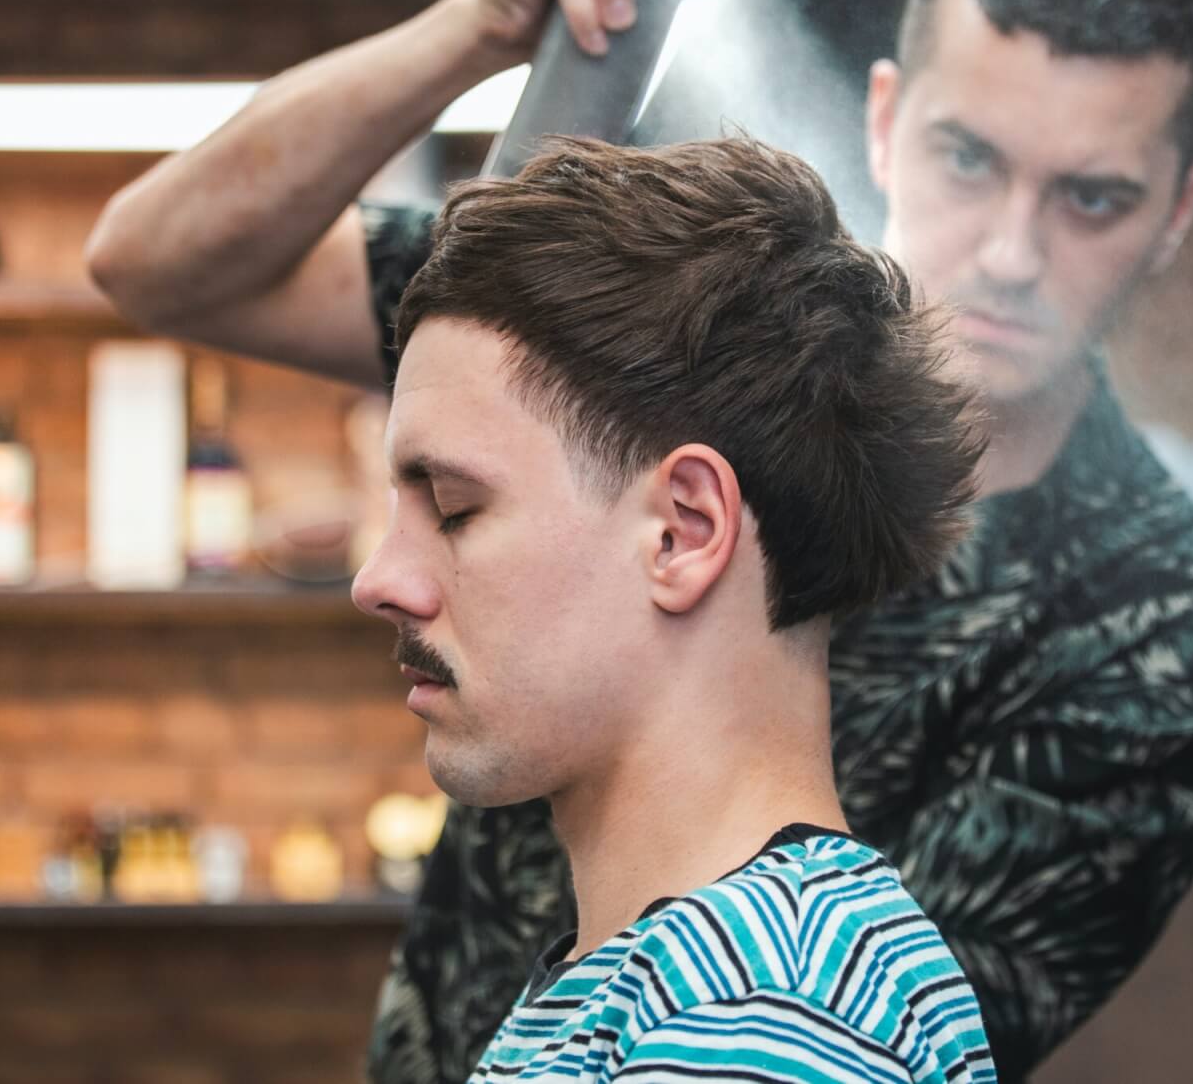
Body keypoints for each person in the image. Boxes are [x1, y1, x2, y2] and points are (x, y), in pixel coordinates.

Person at [86, 0, 1193, 1083]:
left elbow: (827, 1033)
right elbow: (157, 263)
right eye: (967, 159)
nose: (1006, 250)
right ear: (883, 120)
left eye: (1090, 197)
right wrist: (481, 33)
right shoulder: (670, 329)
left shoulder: (1166, 628)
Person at [353, 134, 995, 1081]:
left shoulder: (767, 1015)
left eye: (454, 508)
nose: (380, 580)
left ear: (683, 532)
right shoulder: (669, 989)